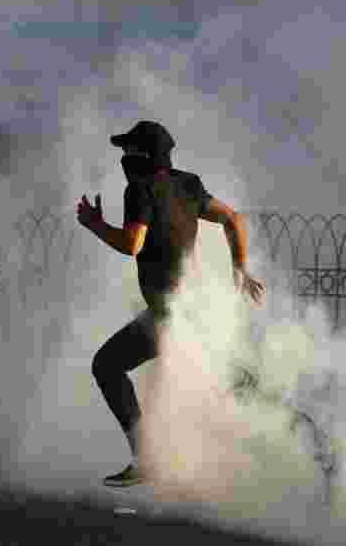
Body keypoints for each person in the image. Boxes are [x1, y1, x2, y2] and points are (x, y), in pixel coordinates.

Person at [76, 120, 266, 488]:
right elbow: (232, 218)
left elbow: (133, 244)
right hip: (193, 307)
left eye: (129, 150)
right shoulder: (188, 184)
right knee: (226, 380)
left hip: (169, 315)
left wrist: (95, 225)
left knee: (107, 365)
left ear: (144, 153)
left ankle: (147, 458)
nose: (124, 157)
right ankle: (279, 424)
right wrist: (239, 267)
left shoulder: (139, 189)